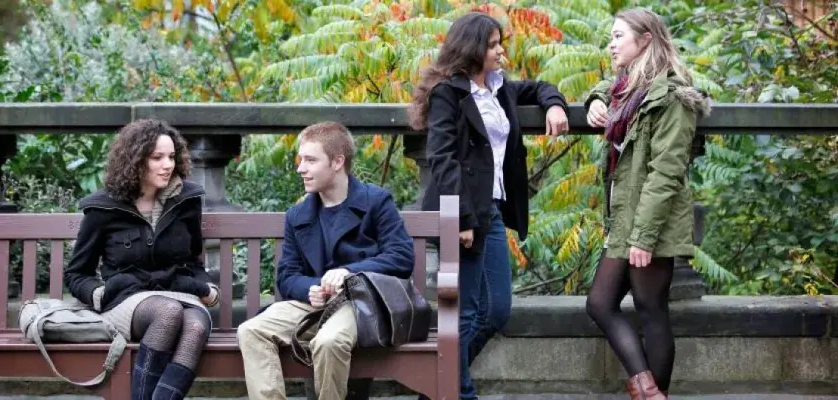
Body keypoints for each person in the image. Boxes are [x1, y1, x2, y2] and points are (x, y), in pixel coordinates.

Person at [408, 11, 570, 400]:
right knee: (463, 315)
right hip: (463, 214)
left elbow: (540, 87)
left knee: (496, 311)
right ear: (471, 48)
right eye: (493, 45)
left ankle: (437, 382)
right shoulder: (449, 92)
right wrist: (459, 218)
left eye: (501, 44)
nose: (500, 52)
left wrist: (555, 105)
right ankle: (457, 392)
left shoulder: (499, 88)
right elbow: (442, 158)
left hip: (493, 211)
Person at [582, 8, 711, 400]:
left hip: (650, 221)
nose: (611, 44)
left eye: (619, 36)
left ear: (646, 40)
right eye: (611, 37)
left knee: (651, 310)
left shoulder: (673, 97)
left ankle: (652, 393)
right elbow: (611, 86)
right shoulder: (626, 89)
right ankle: (650, 391)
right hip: (625, 217)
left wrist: (644, 237)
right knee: (600, 303)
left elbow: (665, 173)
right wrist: (595, 98)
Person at [236, 121, 415, 400]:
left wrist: (348, 272)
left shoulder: (376, 202)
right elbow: (287, 274)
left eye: (310, 160)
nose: (300, 168)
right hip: (312, 304)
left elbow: (401, 257)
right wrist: (310, 288)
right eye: (300, 159)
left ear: (337, 162)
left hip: (360, 303)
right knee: (251, 331)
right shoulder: (298, 215)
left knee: (329, 341)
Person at [63, 119, 220, 400]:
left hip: (181, 292)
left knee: (196, 326)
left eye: (171, 156)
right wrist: (99, 293)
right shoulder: (103, 207)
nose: (167, 165)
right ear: (135, 160)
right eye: (157, 157)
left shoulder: (186, 199)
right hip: (128, 300)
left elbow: (194, 262)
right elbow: (77, 274)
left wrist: (208, 288)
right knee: (168, 312)